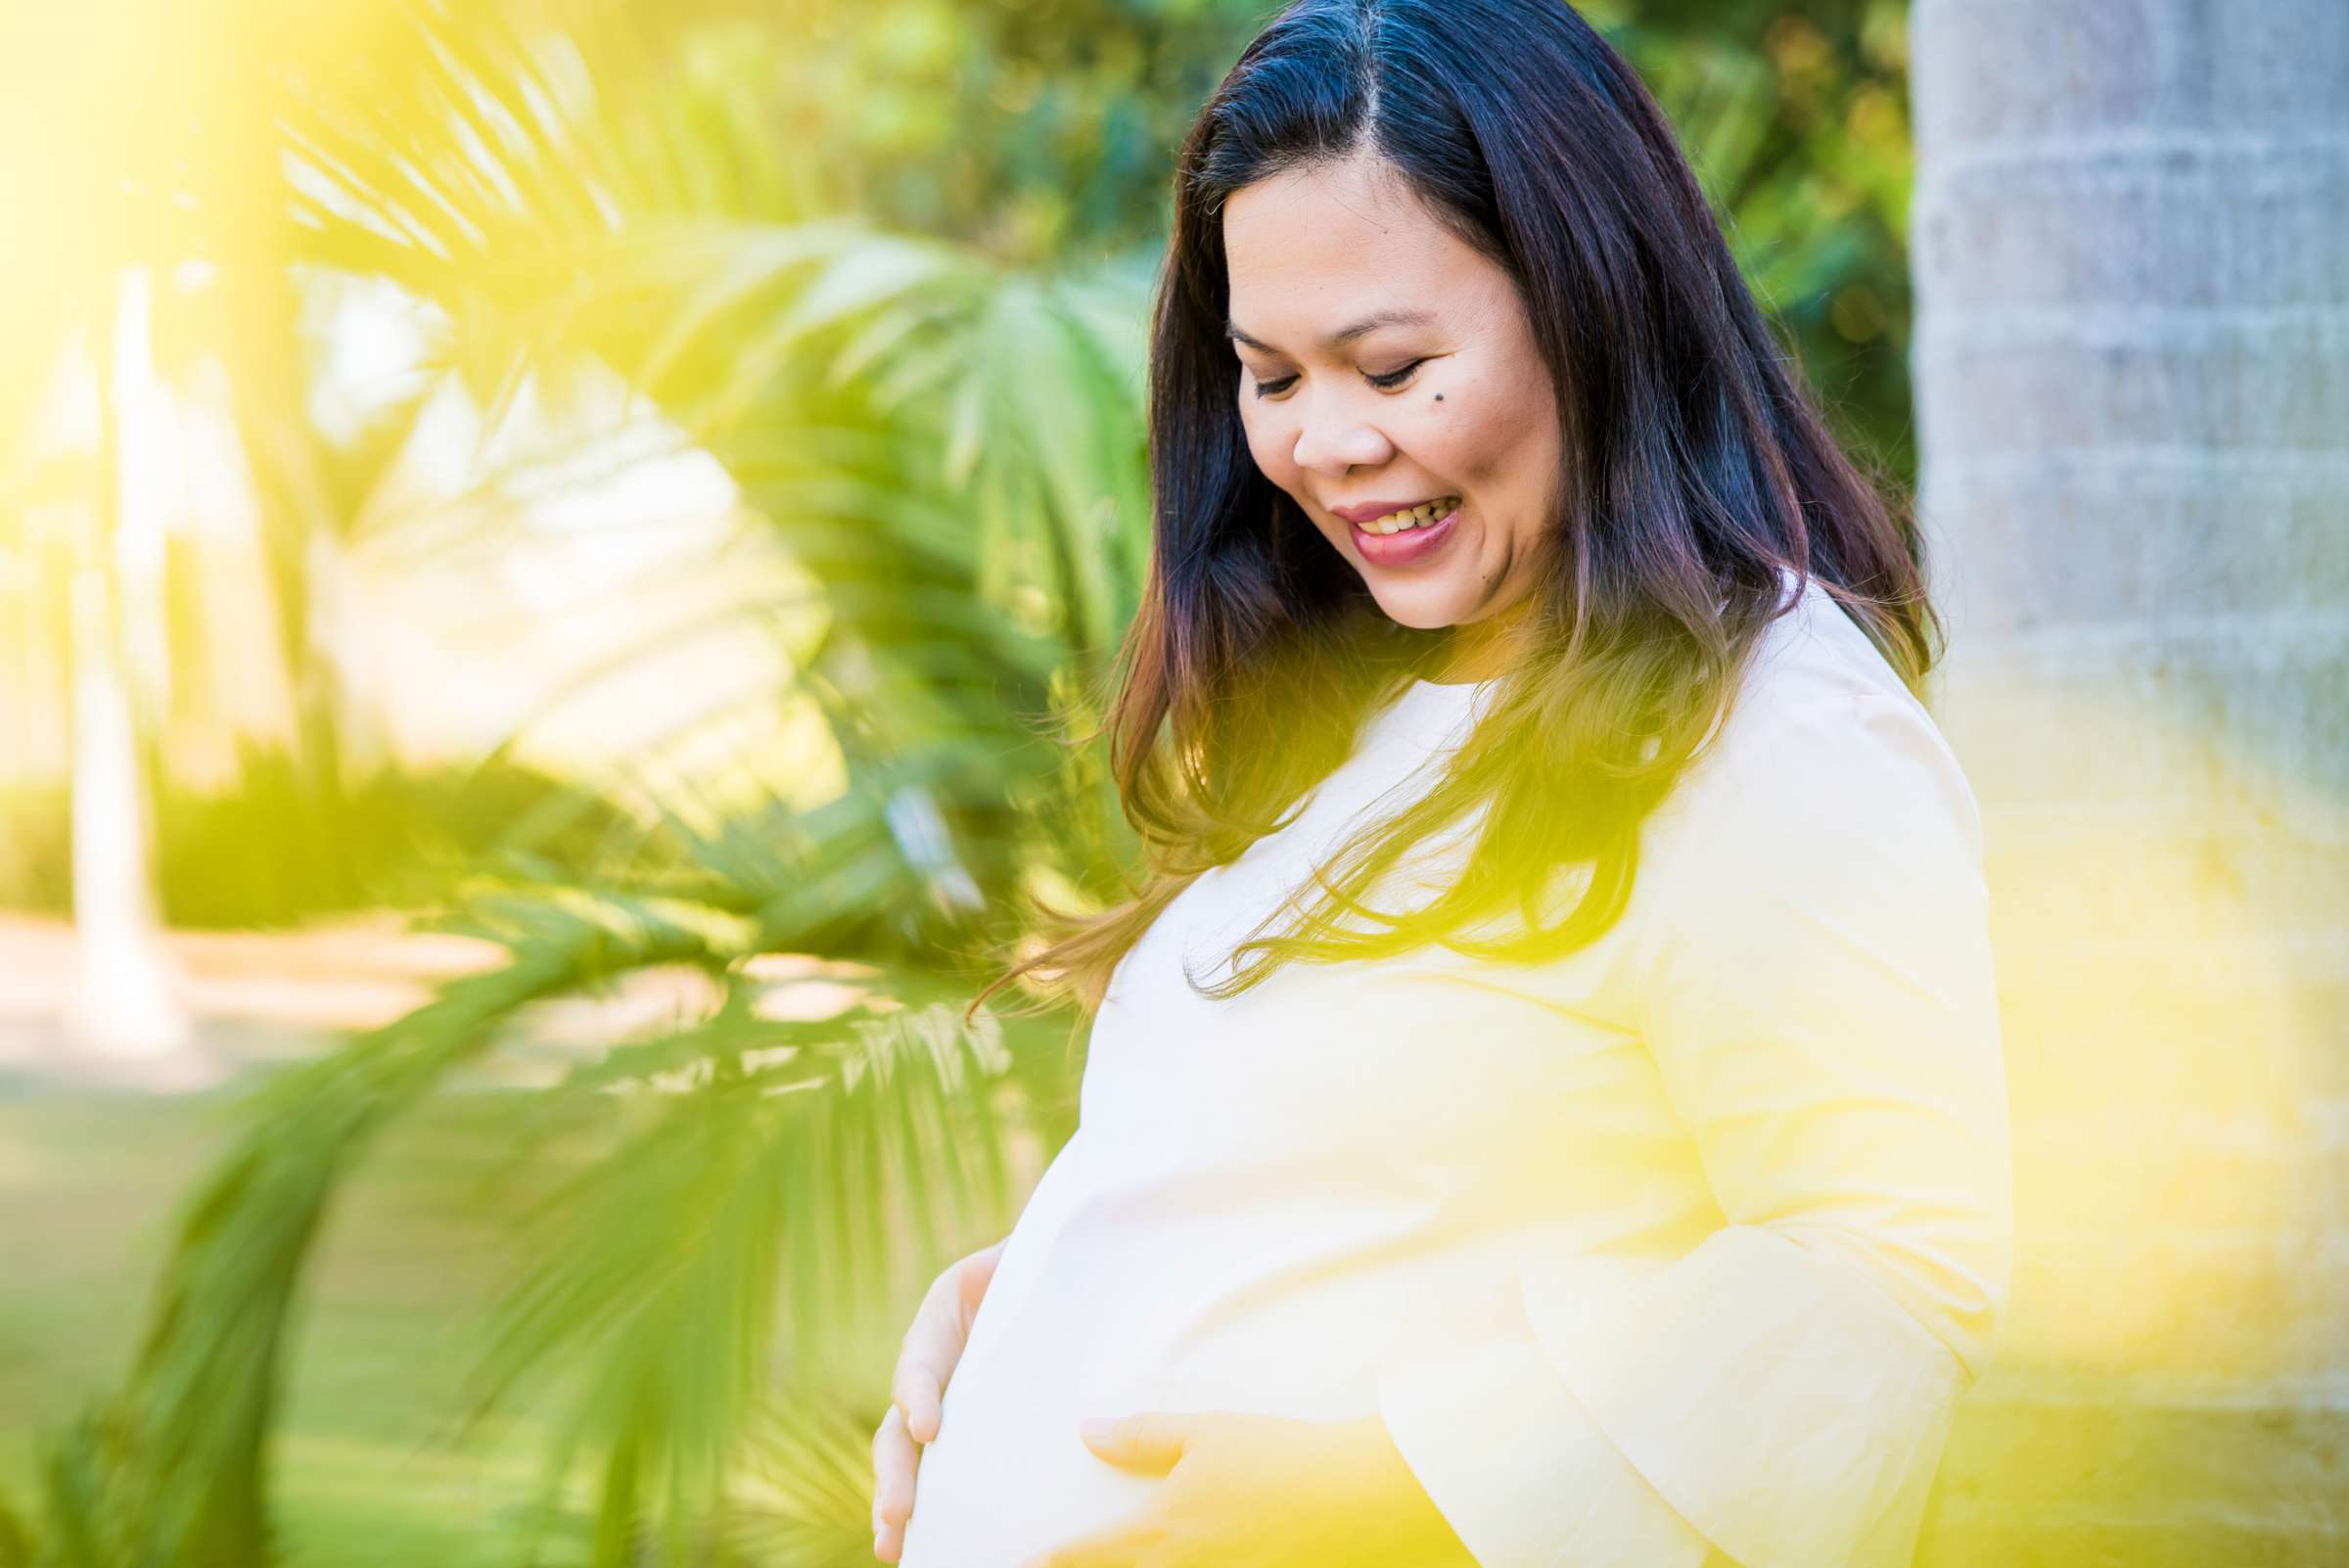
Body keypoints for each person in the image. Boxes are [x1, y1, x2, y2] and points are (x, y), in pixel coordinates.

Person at [871, 2, 2013, 1565]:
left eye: (1396, 367)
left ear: (1591, 306)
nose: (1327, 441)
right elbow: (1390, 1183)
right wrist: (1038, 1297)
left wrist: (1386, 1493)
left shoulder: (1773, 731)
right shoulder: (1365, 698)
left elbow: (1891, 1272)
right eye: (1268, 375)